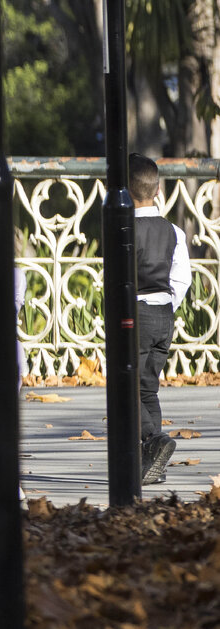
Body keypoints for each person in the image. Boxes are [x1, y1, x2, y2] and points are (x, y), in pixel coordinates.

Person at [131, 154, 191, 483]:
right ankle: (152, 467)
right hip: (163, 315)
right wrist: (168, 305)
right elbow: (183, 277)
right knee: (148, 389)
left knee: (127, 388)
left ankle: (154, 441)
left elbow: (117, 279)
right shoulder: (174, 231)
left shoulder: (124, 229)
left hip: (135, 314)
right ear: (158, 191)